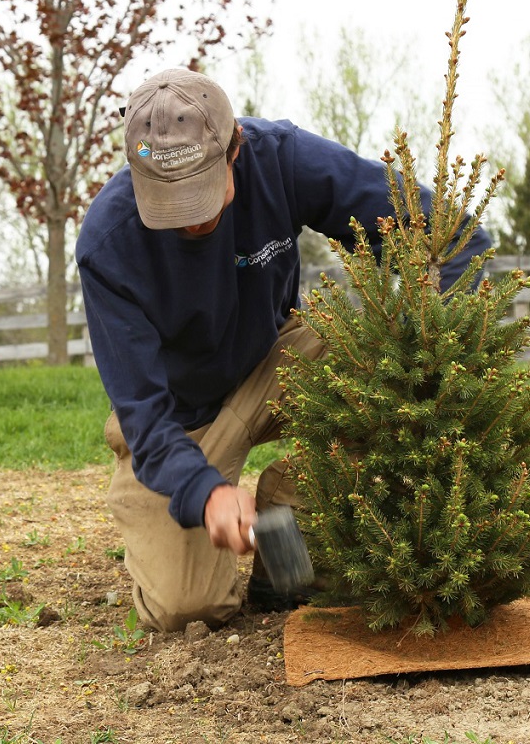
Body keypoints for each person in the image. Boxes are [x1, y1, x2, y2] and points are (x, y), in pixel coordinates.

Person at [76, 68, 493, 632]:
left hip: (279, 363)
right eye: (169, 204)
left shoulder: (280, 158)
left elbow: (447, 232)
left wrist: (432, 349)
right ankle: (193, 532)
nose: (192, 219)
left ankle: (288, 525)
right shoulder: (108, 243)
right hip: (181, 419)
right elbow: (145, 418)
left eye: (202, 194)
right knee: (186, 607)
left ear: (235, 149)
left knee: (380, 364)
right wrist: (205, 493)